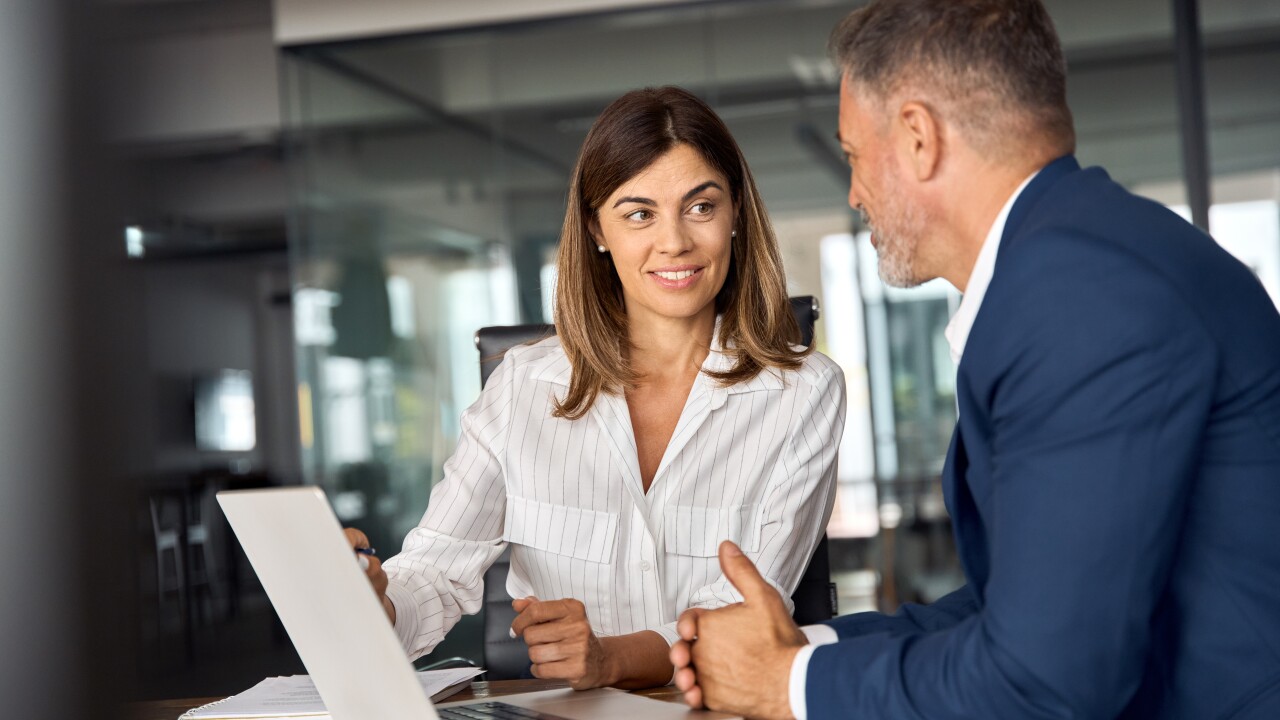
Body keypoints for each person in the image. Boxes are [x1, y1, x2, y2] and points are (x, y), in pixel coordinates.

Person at [669, 1, 1280, 718]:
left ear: (919, 138)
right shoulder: (1089, 258)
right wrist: (803, 649)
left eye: (853, 156)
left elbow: (1044, 682)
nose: (854, 192)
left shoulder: (1079, 297)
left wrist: (787, 687)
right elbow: (1018, 612)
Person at [347, 85, 846, 691]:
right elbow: (436, 570)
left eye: (701, 206)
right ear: (597, 229)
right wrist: (378, 603)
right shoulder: (521, 387)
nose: (675, 243)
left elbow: (744, 608)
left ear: (736, 212)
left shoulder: (804, 392)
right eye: (639, 213)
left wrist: (611, 659)